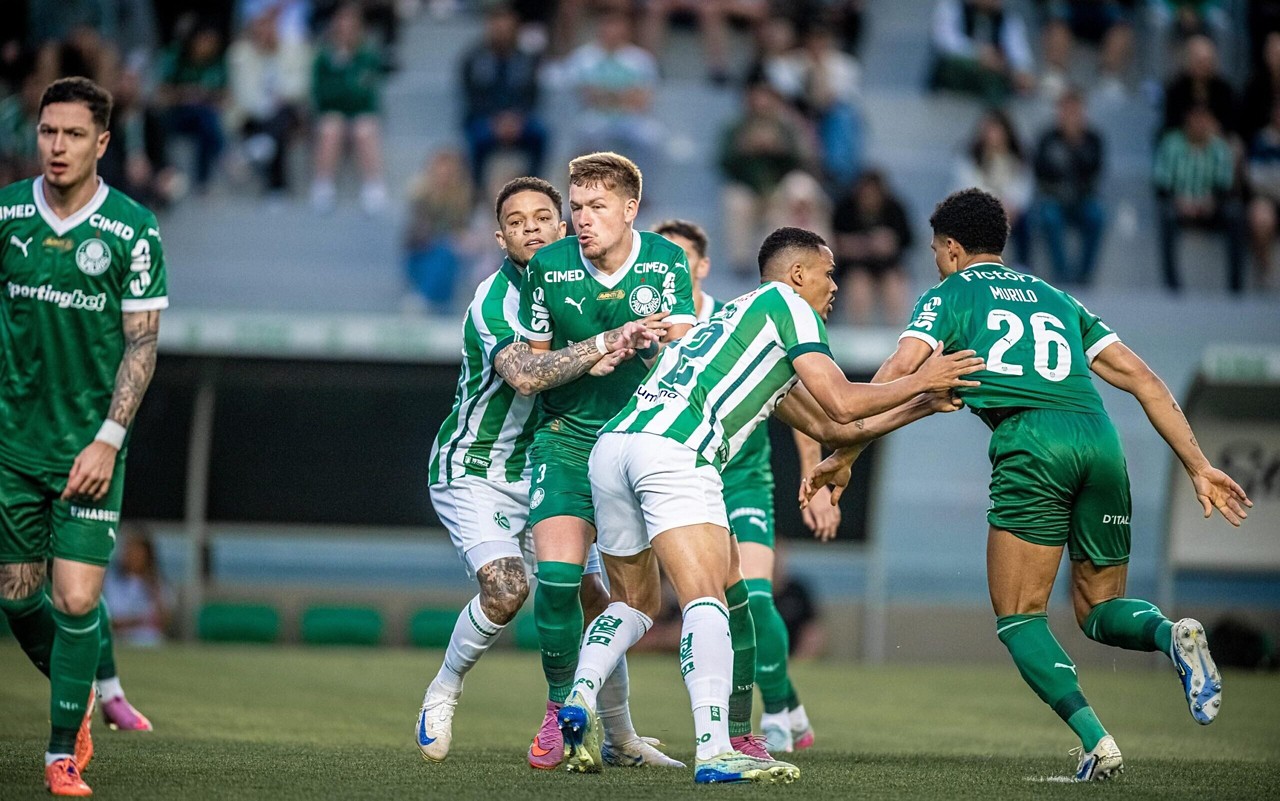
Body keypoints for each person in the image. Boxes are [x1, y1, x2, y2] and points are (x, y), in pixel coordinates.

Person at [804, 187, 1252, 781]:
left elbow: (895, 374)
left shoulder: (951, 293)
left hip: (1033, 445)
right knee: (1100, 608)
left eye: (938, 251)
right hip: (1100, 440)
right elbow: (1143, 379)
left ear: (955, 250)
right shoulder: (1056, 297)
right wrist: (1198, 465)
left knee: (1020, 616)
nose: (936, 262)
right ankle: (1172, 635)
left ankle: (1097, 741)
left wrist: (847, 450)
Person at [557, 226, 983, 783]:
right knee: (706, 597)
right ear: (798, 274)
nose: (835, 286)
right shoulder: (788, 304)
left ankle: (579, 699)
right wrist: (922, 375)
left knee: (634, 601)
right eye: (829, 274)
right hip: (677, 451)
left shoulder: (739, 323)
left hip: (615, 449)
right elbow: (843, 397)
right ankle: (715, 750)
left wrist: (923, 402)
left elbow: (834, 423)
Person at [415, 175, 670, 766]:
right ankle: (445, 687)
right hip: (476, 466)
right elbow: (526, 373)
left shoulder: (578, 286)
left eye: (541, 217)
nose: (529, 227)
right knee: (507, 590)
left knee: (592, 604)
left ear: (563, 227)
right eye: (514, 221)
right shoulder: (493, 299)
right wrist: (603, 345)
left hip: (545, 465)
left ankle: (621, 739)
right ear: (500, 238)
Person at [0, 76, 168, 797]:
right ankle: (83, 698)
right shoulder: (6, 215)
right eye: (47, 132)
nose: (57, 146)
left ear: (102, 142)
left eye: (73, 135)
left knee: (74, 598)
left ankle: (61, 749)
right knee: (17, 597)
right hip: (13, 443)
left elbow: (142, 344)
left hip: (90, 448)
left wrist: (107, 438)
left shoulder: (132, 229)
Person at [500, 152, 696, 770]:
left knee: (639, 601)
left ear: (630, 208)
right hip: (566, 437)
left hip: (639, 444)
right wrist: (593, 351)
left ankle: (674, 733)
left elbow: (682, 357)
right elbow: (531, 366)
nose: (581, 220)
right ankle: (563, 715)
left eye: (596, 207)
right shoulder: (548, 267)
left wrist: (644, 348)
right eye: (576, 207)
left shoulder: (665, 264)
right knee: (557, 579)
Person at [653, 218, 838, 754]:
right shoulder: (649, 326)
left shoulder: (734, 317)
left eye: (681, 258)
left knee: (755, 598)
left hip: (743, 474)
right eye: (660, 260)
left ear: (703, 266)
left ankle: (775, 709)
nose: (670, 269)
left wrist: (816, 475)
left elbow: (801, 397)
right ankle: (782, 710)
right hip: (682, 472)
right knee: (690, 603)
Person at [718, 82, 810, 274]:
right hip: (747, 187)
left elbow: (801, 161)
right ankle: (740, 262)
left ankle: (783, 256)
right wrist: (744, 150)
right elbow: (723, 163)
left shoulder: (787, 128)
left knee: (798, 189)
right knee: (735, 201)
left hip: (778, 185)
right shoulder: (736, 129)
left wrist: (779, 149)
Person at [558, 11, 664, 174]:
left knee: (651, 138)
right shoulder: (582, 57)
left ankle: (644, 193)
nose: (613, 32)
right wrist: (622, 95)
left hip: (629, 118)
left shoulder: (641, 60)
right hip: (594, 116)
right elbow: (586, 97)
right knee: (584, 131)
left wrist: (605, 94)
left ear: (627, 31)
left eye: (618, 27)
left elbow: (642, 100)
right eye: (609, 26)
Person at [1153, 103, 1244, 293]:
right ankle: (1172, 287)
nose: (1199, 125)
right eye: (1195, 120)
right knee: (1166, 214)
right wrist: (1180, 201)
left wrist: (1212, 202)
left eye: (1203, 120)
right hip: (1181, 205)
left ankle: (1235, 287)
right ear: (1187, 122)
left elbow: (1225, 187)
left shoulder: (1219, 147)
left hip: (1209, 207)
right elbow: (1161, 184)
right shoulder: (1171, 144)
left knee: (1235, 214)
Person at [309, 3, 387, 214]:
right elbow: (321, 95)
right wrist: (348, 87)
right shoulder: (323, 59)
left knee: (364, 126)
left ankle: (373, 186)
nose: (346, 29)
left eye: (351, 24)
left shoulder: (368, 57)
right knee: (331, 125)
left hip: (359, 117)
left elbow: (368, 98)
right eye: (342, 24)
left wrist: (343, 88)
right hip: (334, 117)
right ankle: (323, 186)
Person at [227, 4, 311, 199]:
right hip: (252, 115)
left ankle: (258, 148)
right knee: (274, 126)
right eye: (260, 27)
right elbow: (243, 93)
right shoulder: (240, 54)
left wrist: (283, 95)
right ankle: (277, 188)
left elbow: (301, 86)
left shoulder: (292, 50)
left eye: (269, 26)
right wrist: (265, 106)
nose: (265, 31)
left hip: (286, 110)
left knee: (282, 117)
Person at [459, 4, 547, 186]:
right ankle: (477, 192)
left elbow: (532, 97)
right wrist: (496, 121)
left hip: (519, 120)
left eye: (507, 27)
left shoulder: (526, 59)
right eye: (497, 27)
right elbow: (471, 97)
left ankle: (533, 186)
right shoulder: (473, 59)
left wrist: (515, 119)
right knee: (477, 138)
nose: (502, 32)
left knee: (540, 134)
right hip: (484, 119)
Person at [1032, 89, 1105, 286]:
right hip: (1054, 199)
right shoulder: (1047, 138)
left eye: (1075, 112)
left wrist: (1075, 147)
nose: (1071, 117)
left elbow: (1095, 172)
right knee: (1049, 216)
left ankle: (1083, 277)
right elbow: (1039, 172)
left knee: (1097, 216)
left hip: (1082, 200)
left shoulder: (1093, 139)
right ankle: (1062, 276)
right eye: (1066, 111)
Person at [831, 168, 913, 325]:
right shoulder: (845, 209)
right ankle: (860, 333)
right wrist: (862, 245)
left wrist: (891, 243)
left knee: (894, 284)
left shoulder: (895, 209)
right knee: (859, 285)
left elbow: (907, 241)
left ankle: (897, 331)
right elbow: (835, 242)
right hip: (854, 267)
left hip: (887, 266)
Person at [954, 110, 1032, 269]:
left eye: (997, 131)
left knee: (1026, 220)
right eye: (989, 131)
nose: (993, 136)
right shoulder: (970, 157)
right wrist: (993, 207)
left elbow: (1024, 188)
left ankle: (1021, 267)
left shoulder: (1018, 158)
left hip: (1010, 210)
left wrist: (1010, 206)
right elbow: (967, 186)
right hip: (979, 208)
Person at [156, 21, 228, 193]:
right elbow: (161, 95)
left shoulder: (217, 62)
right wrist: (185, 94)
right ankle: (224, 156)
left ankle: (203, 181)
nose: (209, 47)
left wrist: (205, 96)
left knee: (205, 120)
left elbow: (226, 95)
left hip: (203, 117)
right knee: (204, 118)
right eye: (205, 41)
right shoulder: (174, 58)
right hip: (175, 115)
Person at [403, 148, 475, 313]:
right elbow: (414, 236)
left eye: (448, 172)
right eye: (440, 171)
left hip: (451, 257)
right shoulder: (420, 196)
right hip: (420, 254)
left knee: (448, 252)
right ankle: (424, 299)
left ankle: (425, 300)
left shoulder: (462, 198)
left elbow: (463, 230)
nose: (444, 176)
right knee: (442, 251)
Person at [928, 0, 1035, 106]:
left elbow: (1018, 51)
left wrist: (1021, 71)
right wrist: (979, 54)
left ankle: (995, 113)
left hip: (992, 71)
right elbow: (945, 43)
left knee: (1000, 77)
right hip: (957, 67)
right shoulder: (952, 7)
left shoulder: (1008, 19)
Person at [1247, 103, 1280, 291]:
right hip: (1267, 198)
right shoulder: (1262, 140)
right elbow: (1256, 178)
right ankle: (1265, 272)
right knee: (1260, 217)